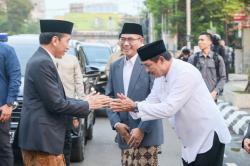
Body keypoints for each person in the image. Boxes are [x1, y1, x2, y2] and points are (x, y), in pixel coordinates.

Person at [110, 40, 231, 166]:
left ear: (161, 60)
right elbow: (151, 102)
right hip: (190, 139)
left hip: (207, 135)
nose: (146, 70)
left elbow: (169, 108)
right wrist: (131, 107)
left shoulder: (185, 72)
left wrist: (135, 106)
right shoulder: (160, 77)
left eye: (148, 65)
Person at [18, 19, 110, 166]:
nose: (68, 47)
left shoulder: (43, 59)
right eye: (67, 41)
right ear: (55, 40)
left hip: (45, 140)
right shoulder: (42, 62)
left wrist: (83, 101)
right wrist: (87, 105)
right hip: (43, 141)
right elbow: (56, 104)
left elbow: (56, 98)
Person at [106, 23, 164, 166]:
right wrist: (117, 123)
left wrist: (142, 129)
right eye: (123, 39)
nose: (126, 43)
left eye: (130, 39)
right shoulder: (116, 66)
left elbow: (157, 100)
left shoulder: (150, 64)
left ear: (141, 40)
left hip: (146, 135)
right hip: (125, 134)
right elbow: (110, 97)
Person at [56, 54, 86, 166]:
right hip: (51, 107)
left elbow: (79, 84)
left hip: (68, 108)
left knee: (66, 143)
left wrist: (77, 114)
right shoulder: (46, 59)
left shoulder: (72, 59)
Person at [0, 33, 21, 166]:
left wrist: (9, 104)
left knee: (3, 148)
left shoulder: (6, 50)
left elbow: (15, 77)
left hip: (1, 109)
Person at [188, 32, 226, 102]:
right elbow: (187, 78)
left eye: (202, 40)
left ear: (210, 42)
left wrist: (215, 92)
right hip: (196, 98)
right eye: (199, 40)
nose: (199, 42)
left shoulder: (218, 59)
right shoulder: (193, 58)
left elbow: (223, 78)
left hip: (212, 97)